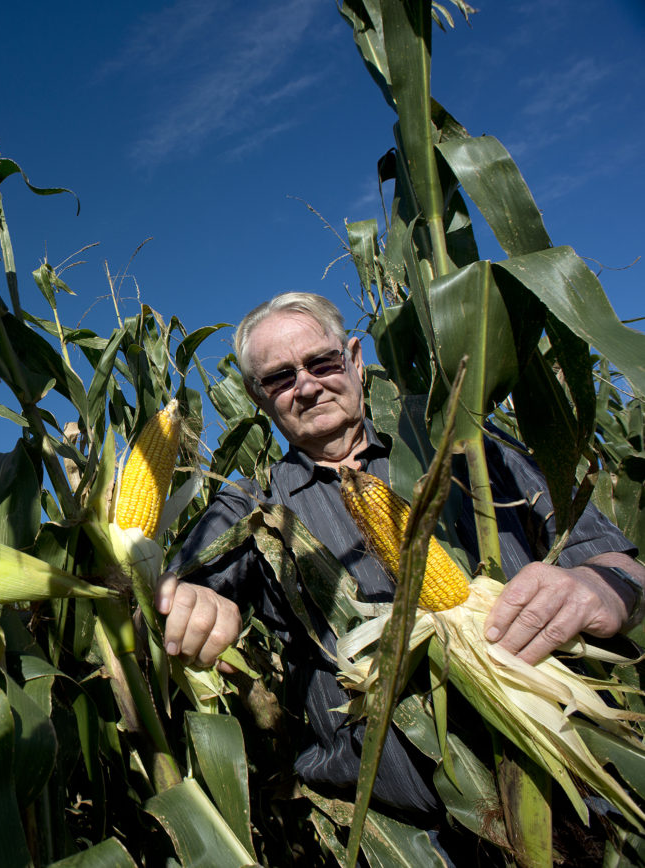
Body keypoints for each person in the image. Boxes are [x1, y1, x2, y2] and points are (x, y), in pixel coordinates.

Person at [155, 291, 644, 816]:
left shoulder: (459, 439)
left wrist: (601, 586)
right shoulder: (249, 506)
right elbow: (172, 594)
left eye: (321, 362)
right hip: (406, 836)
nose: (307, 385)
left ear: (356, 360)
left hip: (583, 790)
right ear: (258, 397)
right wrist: (189, 605)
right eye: (280, 377)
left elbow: (619, 562)